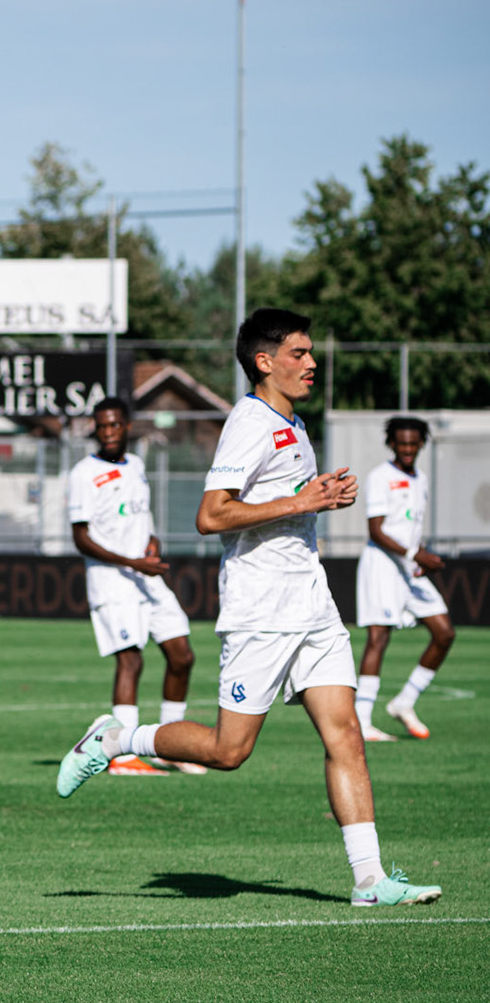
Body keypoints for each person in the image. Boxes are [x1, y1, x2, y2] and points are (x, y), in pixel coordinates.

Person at [57, 308, 439, 908]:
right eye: (299, 353)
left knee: (346, 736)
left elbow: (287, 506)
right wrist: (299, 499)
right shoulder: (249, 421)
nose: (312, 363)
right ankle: (116, 738)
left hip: (311, 603)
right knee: (228, 751)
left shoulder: (295, 421)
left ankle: (371, 880)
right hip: (260, 609)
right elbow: (211, 516)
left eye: (311, 353)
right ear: (264, 361)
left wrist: (320, 499)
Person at [65, 397, 205, 777]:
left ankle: (168, 747)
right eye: (101, 426)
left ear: (127, 426)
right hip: (112, 580)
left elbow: (141, 517)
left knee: (182, 655)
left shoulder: (138, 465)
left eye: (115, 425)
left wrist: (153, 541)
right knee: (131, 659)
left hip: (146, 577)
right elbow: (80, 537)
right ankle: (122, 756)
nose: (108, 432)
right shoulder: (83, 473)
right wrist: (131, 562)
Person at [355, 416, 454, 742]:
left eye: (414, 443)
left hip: (410, 567)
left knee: (444, 633)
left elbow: (411, 527)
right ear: (392, 444)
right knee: (378, 637)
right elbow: (376, 530)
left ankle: (405, 701)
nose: (408, 449)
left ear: (421, 444)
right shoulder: (380, 477)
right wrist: (415, 553)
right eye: (402, 443)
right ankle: (361, 720)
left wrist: (421, 554)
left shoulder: (421, 479)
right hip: (382, 565)